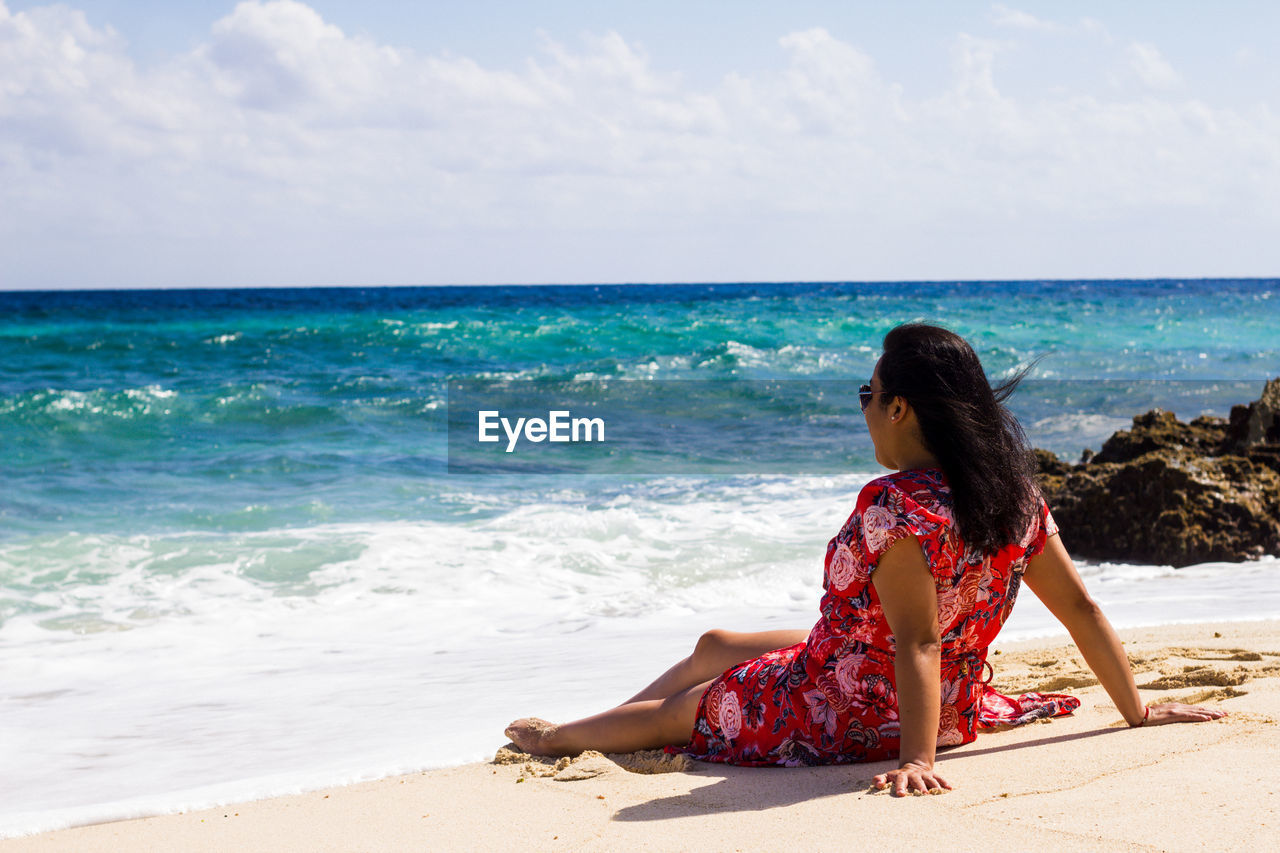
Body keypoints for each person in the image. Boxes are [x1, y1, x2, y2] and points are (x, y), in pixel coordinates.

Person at [505, 323, 1226, 795]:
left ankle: (562, 735)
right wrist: (1135, 707)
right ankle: (609, 714)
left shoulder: (894, 509)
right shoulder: (1015, 497)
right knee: (715, 644)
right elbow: (1079, 606)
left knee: (683, 711)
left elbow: (918, 637)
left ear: (902, 409)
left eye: (868, 395)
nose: (865, 409)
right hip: (945, 701)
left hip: (839, 710)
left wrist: (917, 761)